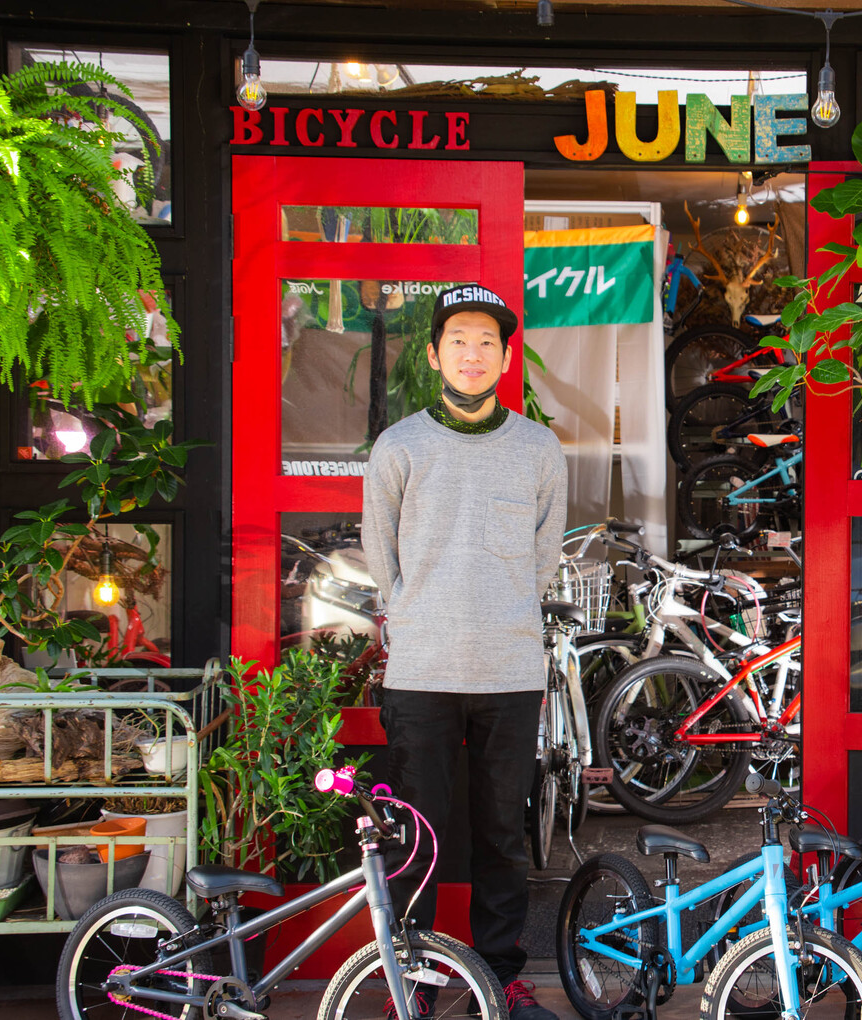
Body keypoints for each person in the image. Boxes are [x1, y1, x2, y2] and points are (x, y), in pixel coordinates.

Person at [362, 282, 565, 1020]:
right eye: (458, 342)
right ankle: (410, 976)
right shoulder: (401, 446)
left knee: (501, 834)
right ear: (434, 354)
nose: (472, 355)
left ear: (505, 357)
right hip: (421, 671)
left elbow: (544, 556)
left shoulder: (539, 449)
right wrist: (418, 616)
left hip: (510, 671)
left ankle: (501, 972)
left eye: (486, 343)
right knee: (418, 832)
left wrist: (498, 612)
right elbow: (379, 553)